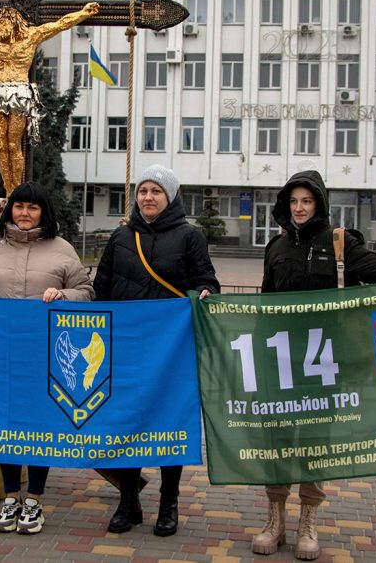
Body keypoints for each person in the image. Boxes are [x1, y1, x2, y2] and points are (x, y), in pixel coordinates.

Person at [254, 170, 376, 560]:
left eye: (307, 201)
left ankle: (308, 523)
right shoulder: (275, 247)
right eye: (294, 201)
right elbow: (265, 302)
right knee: (277, 440)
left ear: (319, 203)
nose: (299, 209)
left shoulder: (339, 243)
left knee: (316, 442)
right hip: (281, 363)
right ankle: (274, 519)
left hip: (324, 365)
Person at [0, 182, 94, 535]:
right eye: (19, 207)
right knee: (5, 425)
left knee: (39, 425)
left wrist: (64, 294)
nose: (25, 213)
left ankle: (35, 499)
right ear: (10, 211)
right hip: (0, 358)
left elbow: (87, 292)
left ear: (44, 212)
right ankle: (11, 497)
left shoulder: (62, 250)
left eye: (33, 207)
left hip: (46, 357)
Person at [93, 164, 220, 538]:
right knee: (127, 423)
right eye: (143, 191)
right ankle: (128, 500)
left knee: (169, 424)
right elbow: (101, 291)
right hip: (127, 348)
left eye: (156, 191)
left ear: (171, 197)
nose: (148, 197)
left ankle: (169, 501)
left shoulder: (189, 236)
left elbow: (205, 279)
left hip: (171, 351)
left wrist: (207, 293)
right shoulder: (120, 238)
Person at [0, 0, 100, 195]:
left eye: (1, 21)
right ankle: (8, 189)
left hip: (20, 94)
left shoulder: (32, 36)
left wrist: (84, 13)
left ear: (12, 20)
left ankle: (15, 189)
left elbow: (60, 24)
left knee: (13, 143)